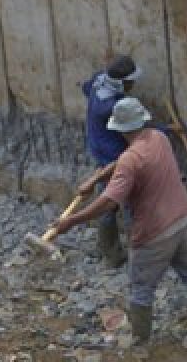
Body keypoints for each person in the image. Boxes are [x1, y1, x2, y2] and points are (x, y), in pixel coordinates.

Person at [50, 97, 187, 346]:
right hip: (183, 220)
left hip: (153, 234)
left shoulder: (130, 161)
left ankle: (139, 342)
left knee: (142, 291)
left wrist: (71, 221)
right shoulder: (159, 138)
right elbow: (126, 160)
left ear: (119, 128)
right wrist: (97, 178)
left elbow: (109, 202)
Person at [82, 55, 142, 267]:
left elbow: (85, 88)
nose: (133, 85)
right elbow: (139, 130)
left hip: (99, 149)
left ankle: (109, 250)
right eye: (130, 81)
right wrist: (168, 130)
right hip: (113, 157)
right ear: (120, 82)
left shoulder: (99, 81)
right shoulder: (110, 106)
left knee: (107, 202)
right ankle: (128, 255)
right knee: (126, 204)